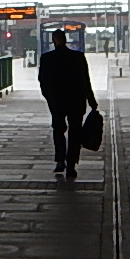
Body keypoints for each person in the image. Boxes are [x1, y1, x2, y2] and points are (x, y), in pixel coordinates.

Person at [38, 29, 97, 179]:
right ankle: (71, 165)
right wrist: (91, 100)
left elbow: (42, 81)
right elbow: (85, 80)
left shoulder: (47, 58)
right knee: (75, 132)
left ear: (54, 41)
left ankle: (60, 161)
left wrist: (49, 98)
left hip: (57, 102)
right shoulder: (77, 57)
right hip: (76, 101)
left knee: (58, 130)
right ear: (65, 40)